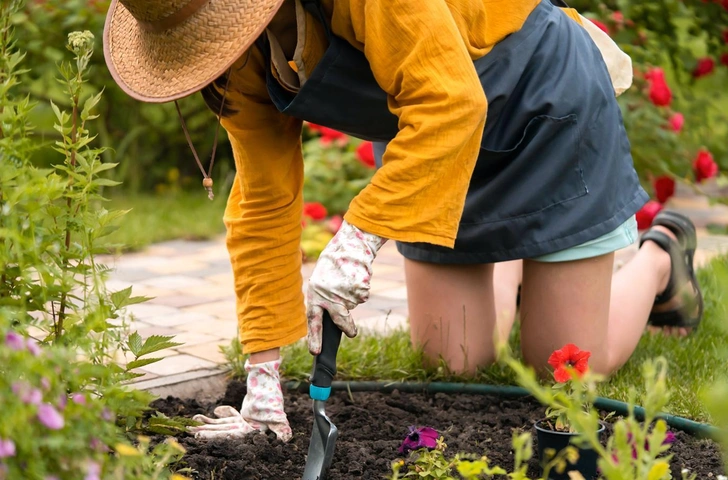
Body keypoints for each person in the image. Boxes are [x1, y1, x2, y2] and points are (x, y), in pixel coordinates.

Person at [102, 0, 703, 441]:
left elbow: (453, 103)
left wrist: (359, 236)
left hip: (542, 102)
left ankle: (659, 257)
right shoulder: (243, 62)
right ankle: (526, 274)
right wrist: (263, 375)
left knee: (564, 369)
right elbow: (263, 201)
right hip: (434, 153)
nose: (213, 49)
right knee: (453, 360)